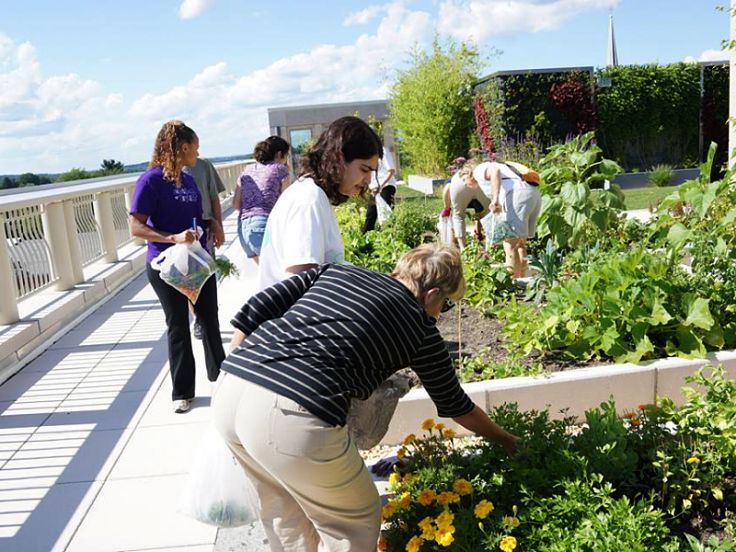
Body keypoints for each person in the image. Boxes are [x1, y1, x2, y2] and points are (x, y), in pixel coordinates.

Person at [212, 243, 520, 552]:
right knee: (354, 520)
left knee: (284, 512)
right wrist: (506, 439)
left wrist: (244, 373)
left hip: (231, 389)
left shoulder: (336, 272)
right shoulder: (420, 329)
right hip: (291, 412)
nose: (441, 314)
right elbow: (457, 406)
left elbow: (257, 308)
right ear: (431, 296)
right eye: (446, 305)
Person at [129, 120, 225, 414]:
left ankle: (221, 382)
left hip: (195, 260)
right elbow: (135, 226)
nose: (198, 151)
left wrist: (207, 227)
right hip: (165, 267)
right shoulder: (151, 181)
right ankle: (182, 392)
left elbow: (195, 216)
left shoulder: (189, 180)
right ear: (183, 148)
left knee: (209, 319)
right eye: (195, 146)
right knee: (178, 327)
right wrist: (170, 238)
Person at [257, 116, 382, 289]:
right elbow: (302, 280)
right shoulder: (309, 199)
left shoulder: (310, 193)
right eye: (364, 169)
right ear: (338, 159)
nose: (368, 179)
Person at [473, 160, 542, 278]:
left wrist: (495, 199)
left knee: (510, 244)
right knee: (521, 244)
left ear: (466, 174)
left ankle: (513, 282)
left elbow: (495, 171)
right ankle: (522, 277)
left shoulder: (478, 169)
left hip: (517, 195)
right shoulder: (504, 167)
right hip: (533, 194)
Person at [183, 157, 226, 340]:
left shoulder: (204, 166)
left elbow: (214, 198)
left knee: (207, 275)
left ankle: (209, 316)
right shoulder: (165, 170)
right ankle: (198, 318)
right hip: (182, 234)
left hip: (206, 230)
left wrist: (219, 227)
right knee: (187, 279)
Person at [233, 136, 290, 265]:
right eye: (287, 156)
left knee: (267, 276)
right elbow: (286, 203)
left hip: (243, 230)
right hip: (263, 226)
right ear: (280, 154)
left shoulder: (246, 170)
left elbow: (236, 204)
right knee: (280, 276)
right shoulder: (280, 169)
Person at [446, 159, 490, 249]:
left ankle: (463, 249)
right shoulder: (480, 172)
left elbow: (446, 190)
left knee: (458, 216)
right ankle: (489, 247)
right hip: (480, 183)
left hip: (460, 185)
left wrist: (446, 208)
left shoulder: (456, 177)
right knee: (488, 216)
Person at [362, 145, 397, 233]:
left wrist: (380, 186)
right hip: (374, 188)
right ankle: (365, 237)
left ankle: (390, 236)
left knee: (386, 214)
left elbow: (391, 171)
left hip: (386, 186)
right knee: (370, 214)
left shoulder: (383, 151)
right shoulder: (366, 154)